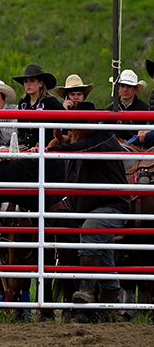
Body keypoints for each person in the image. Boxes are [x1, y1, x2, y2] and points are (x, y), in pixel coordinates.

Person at [48, 122, 129, 322]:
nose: (71, 132)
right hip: (96, 207)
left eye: (75, 127)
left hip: (111, 205)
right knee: (105, 257)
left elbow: (80, 148)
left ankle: (85, 291)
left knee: (90, 230)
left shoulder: (103, 139)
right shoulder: (91, 142)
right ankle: (108, 311)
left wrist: (52, 149)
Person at [12, 63, 62, 149]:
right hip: (26, 148)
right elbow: (20, 129)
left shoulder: (50, 102)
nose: (28, 84)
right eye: (25, 81)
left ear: (40, 84)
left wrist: (49, 145)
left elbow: (65, 121)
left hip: (44, 149)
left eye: (32, 80)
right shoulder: (23, 103)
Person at [107, 69, 148, 141]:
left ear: (135, 89)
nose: (125, 90)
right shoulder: (110, 109)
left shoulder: (145, 108)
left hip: (138, 147)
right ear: (118, 88)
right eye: (122, 86)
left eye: (129, 86)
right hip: (114, 147)